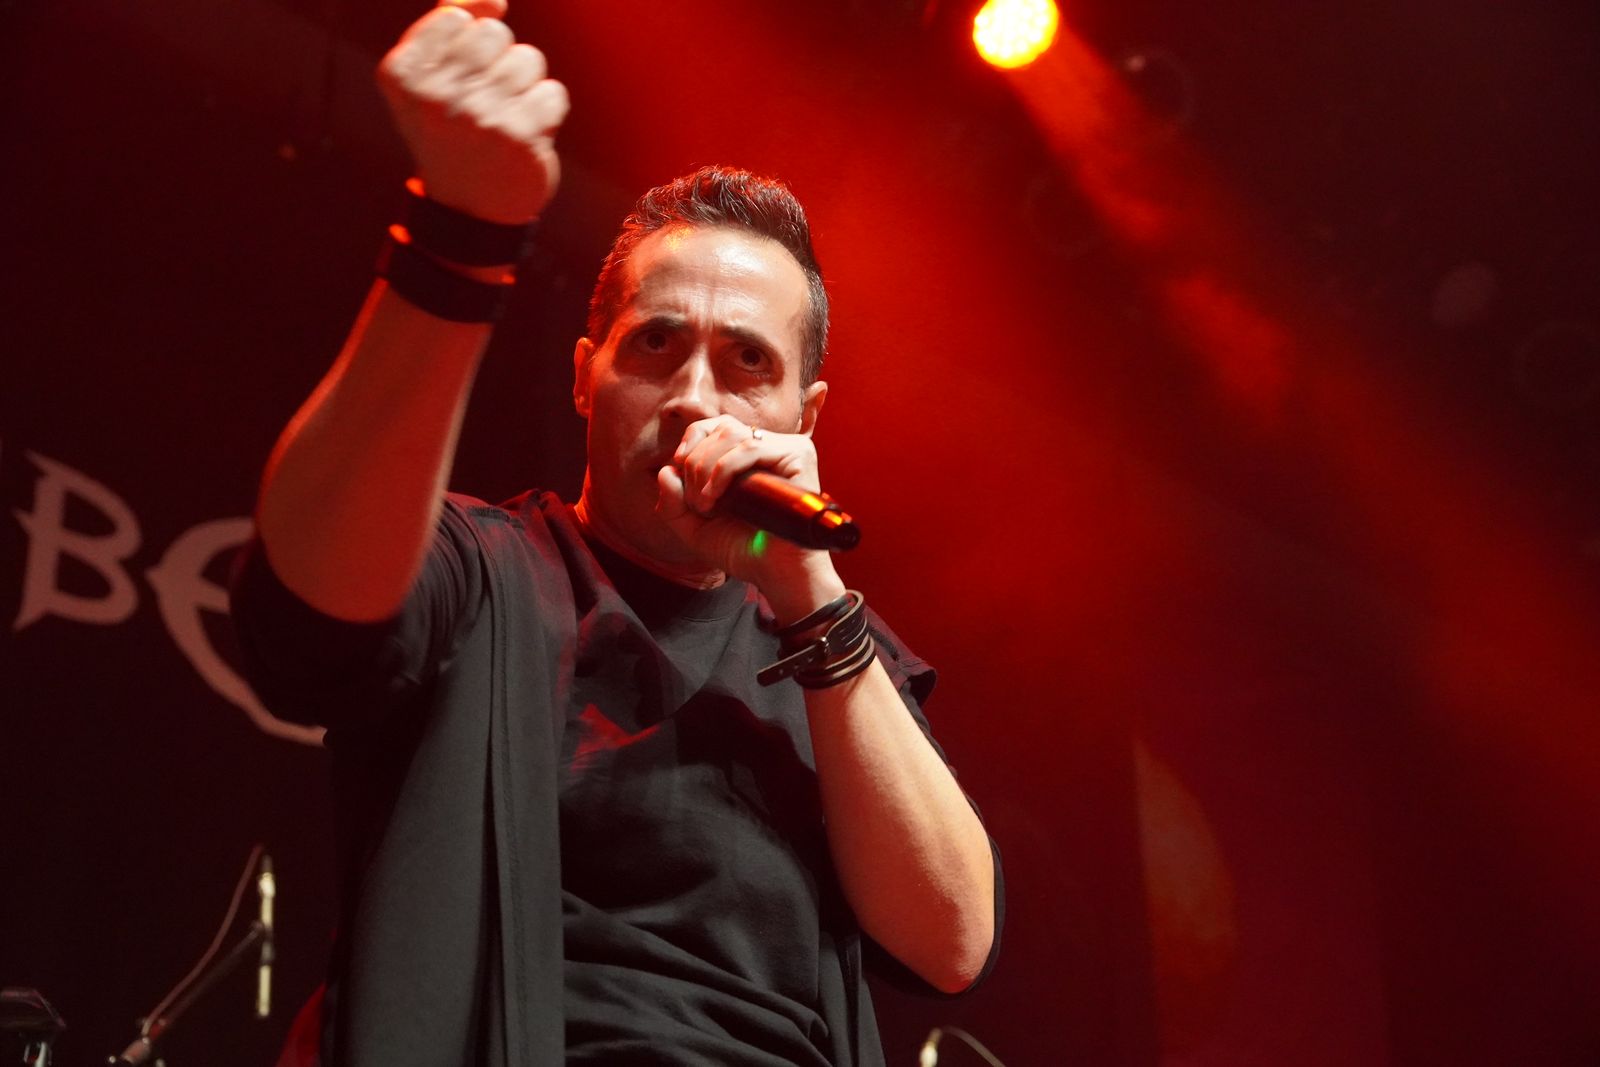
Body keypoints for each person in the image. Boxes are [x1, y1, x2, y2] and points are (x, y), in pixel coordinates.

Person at [230, 1, 1002, 1063]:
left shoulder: (828, 651)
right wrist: (462, 233)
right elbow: (303, 599)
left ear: (806, 417)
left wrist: (812, 597)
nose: (693, 398)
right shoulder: (481, 566)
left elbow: (952, 939)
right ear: (584, 377)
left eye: (747, 362)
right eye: (655, 345)